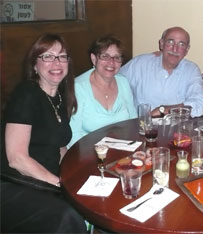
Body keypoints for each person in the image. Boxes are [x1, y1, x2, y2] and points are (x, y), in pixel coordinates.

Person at [0, 34, 87, 232]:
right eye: (47, 56)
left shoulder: (60, 96)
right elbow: (17, 159)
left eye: (62, 56)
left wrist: (81, 172)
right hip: (15, 182)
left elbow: (59, 146)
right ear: (34, 65)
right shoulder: (26, 94)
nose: (56, 62)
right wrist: (60, 185)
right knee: (66, 217)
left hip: (46, 178)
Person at [119, 26, 203, 117]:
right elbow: (114, 82)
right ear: (161, 44)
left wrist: (163, 110)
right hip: (142, 127)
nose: (175, 49)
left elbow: (198, 105)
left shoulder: (191, 70)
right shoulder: (140, 64)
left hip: (177, 128)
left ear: (187, 50)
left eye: (181, 44)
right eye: (170, 42)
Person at [68, 35, 137, 148]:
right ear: (94, 59)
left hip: (123, 149)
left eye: (117, 57)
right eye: (105, 56)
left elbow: (133, 121)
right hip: (88, 152)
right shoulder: (78, 88)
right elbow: (73, 135)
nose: (111, 62)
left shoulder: (123, 82)